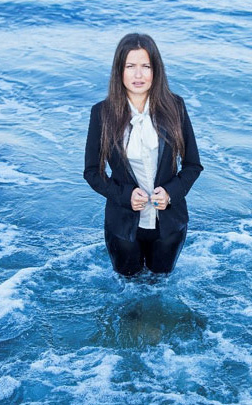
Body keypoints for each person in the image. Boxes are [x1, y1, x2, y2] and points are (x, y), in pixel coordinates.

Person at [84, 33, 203, 276]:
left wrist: (171, 192)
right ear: (119, 70)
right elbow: (92, 172)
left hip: (169, 227)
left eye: (145, 66)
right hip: (123, 227)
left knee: (160, 289)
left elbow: (193, 165)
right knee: (128, 294)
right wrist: (124, 195)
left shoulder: (175, 106)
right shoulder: (102, 113)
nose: (138, 75)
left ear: (155, 70)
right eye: (130, 66)